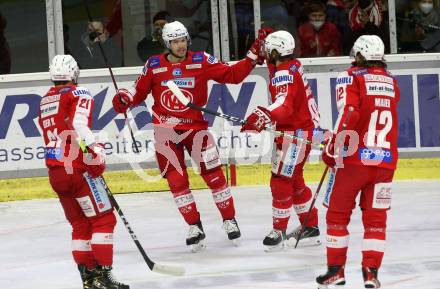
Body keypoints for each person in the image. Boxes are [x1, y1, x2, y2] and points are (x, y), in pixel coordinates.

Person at [112, 21, 271, 252]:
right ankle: (194, 226)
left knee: (214, 176)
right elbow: (137, 92)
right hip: (165, 133)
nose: (180, 45)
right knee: (177, 182)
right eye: (175, 41)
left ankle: (229, 220)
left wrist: (252, 56)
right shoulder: (153, 65)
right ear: (167, 43)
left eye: (183, 40)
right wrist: (123, 98)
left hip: (196, 131)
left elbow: (232, 75)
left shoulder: (201, 60)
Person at [38, 55, 129, 289]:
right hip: (76, 169)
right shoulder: (78, 93)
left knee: (80, 224)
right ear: (74, 73)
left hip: (55, 172)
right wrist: (94, 152)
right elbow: (78, 125)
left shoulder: (45, 100)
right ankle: (104, 277)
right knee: (103, 219)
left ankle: (89, 279)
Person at [316, 35, 400, 289]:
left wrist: (332, 148)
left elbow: (349, 113)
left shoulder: (350, 76)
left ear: (359, 55)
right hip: (385, 162)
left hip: (354, 161)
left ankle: (336, 272)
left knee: (337, 216)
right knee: (376, 220)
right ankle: (371, 274)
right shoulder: (392, 82)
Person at [241, 30, 321, 251]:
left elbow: (284, 106)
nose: (265, 51)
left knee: (281, 180)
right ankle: (310, 227)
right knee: (294, 180)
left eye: (268, 48)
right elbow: (275, 69)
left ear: (276, 51)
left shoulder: (285, 72)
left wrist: (262, 115)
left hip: (294, 135)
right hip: (302, 131)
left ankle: (279, 231)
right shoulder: (290, 64)